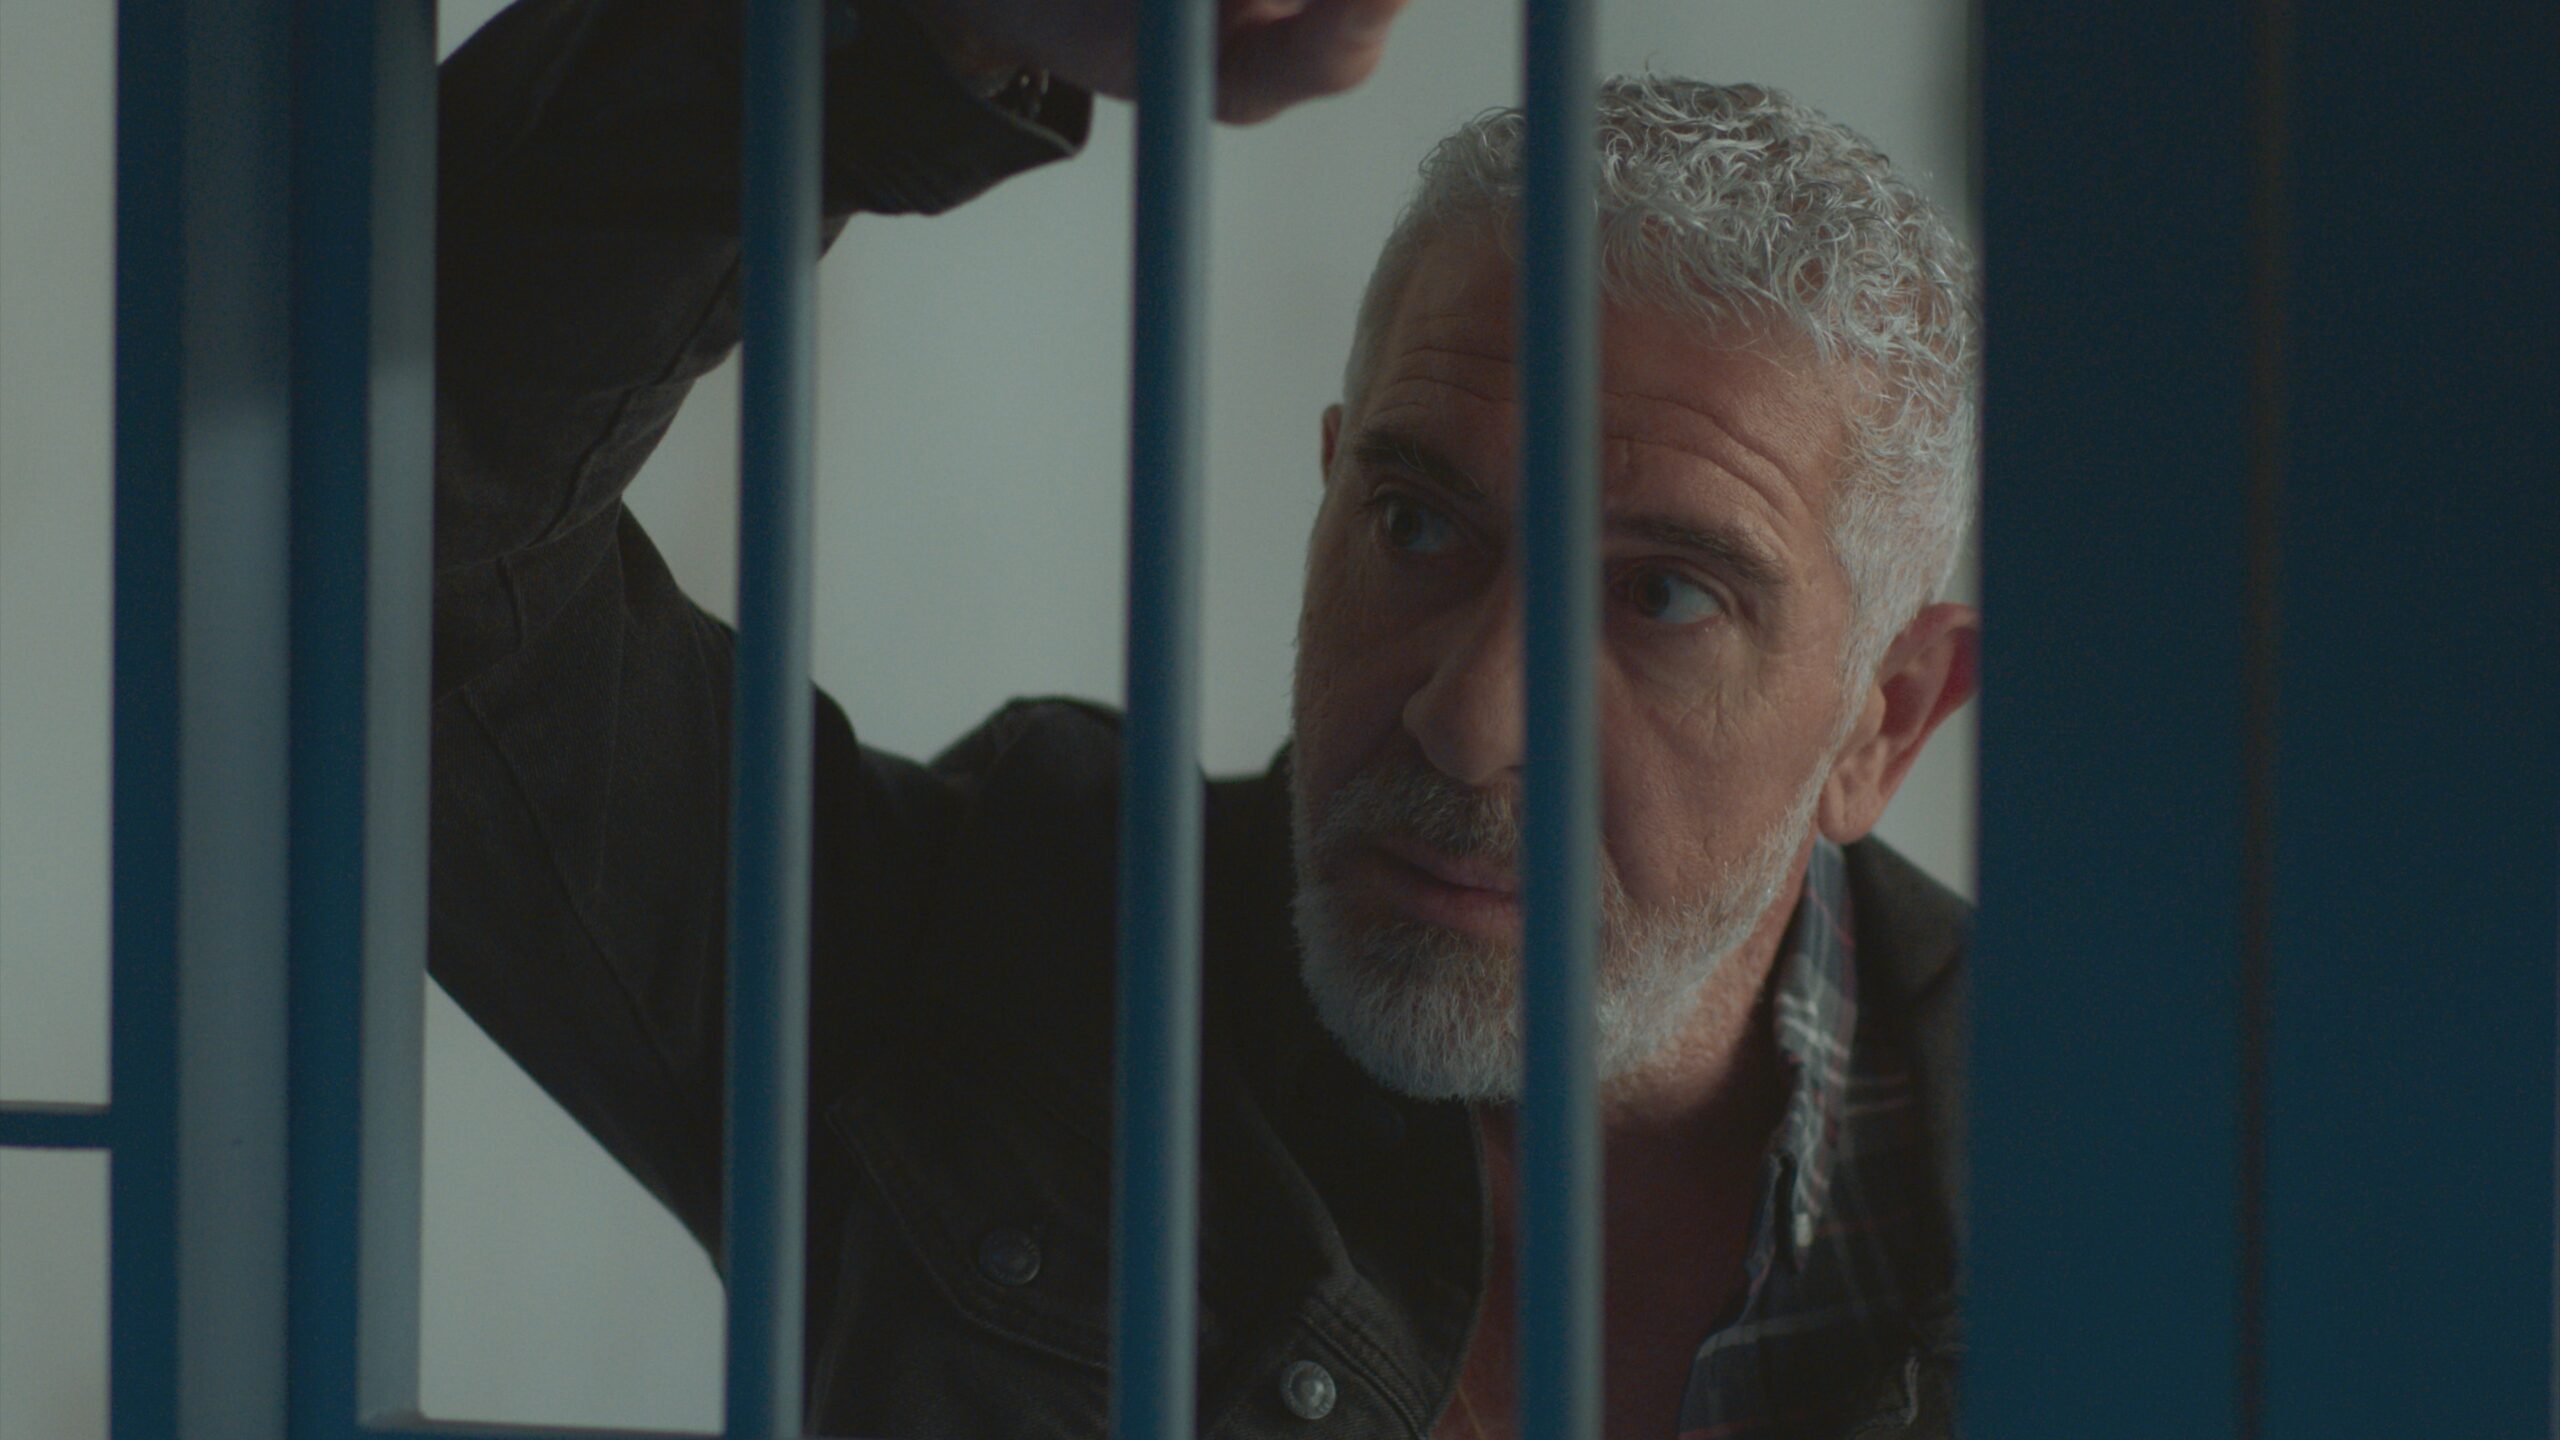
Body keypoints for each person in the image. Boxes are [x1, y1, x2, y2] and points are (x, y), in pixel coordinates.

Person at [429, 0, 1979, 1436]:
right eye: (1417, 525)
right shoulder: (1001, 974)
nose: (1469, 720)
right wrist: (910, 29)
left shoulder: (2090, 1196)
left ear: (1884, 724)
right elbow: (406, 561)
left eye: (1665, 599)